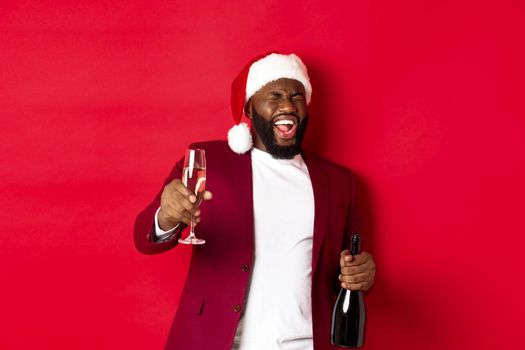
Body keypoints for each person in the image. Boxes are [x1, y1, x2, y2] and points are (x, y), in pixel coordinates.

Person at [134, 52, 376, 350]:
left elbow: (349, 268)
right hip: (219, 342)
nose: (288, 105)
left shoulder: (340, 183)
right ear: (250, 106)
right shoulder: (207, 161)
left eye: (296, 96)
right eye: (274, 95)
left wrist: (361, 274)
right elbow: (144, 238)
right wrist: (166, 217)